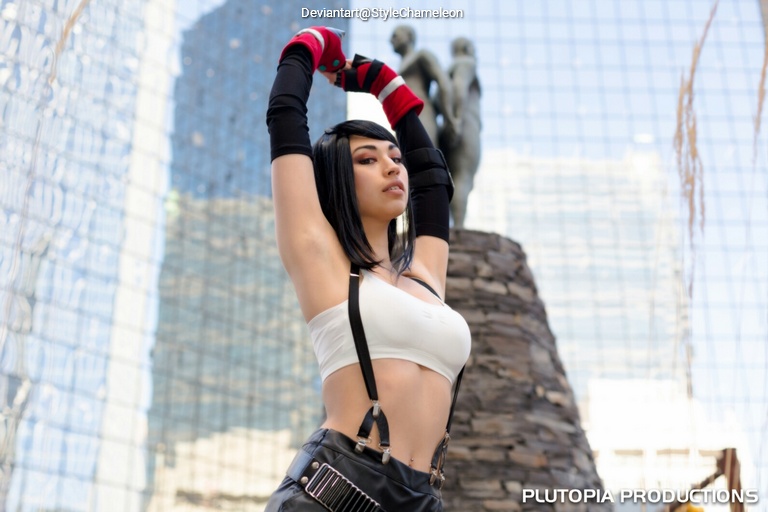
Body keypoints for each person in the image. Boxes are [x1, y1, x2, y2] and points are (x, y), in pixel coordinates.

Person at [264, 27, 472, 511]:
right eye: (367, 159)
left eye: (395, 158)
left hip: (423, 498)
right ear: (336, 176)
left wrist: (382, 82)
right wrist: (310, 45)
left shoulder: (424, 275)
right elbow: (285, 117)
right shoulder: (323, 264)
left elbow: (433, 182)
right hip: (337, 491)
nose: (392, 168)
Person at [390, 24, 457, 145]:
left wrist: (449, 118)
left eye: (395, 35)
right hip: (402, 118)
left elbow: (443, 82)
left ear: (409, 36)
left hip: (421, 112)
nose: (391, 40)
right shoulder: (398, 68)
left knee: (425, 154)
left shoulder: (421, 55)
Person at [440, 36, 482, 229]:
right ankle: (458, 228)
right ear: (466, 47)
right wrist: (456, 119)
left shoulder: (446, 72)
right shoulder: (466, 62)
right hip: (465, 123)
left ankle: (452, 225)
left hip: (450, 125)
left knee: (453, 179)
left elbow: (436, 99)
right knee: (463, 176)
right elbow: (459, 87)